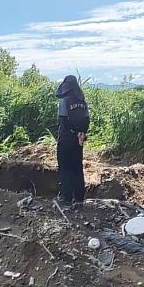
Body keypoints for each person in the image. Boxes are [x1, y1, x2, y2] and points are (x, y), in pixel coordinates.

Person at [55, 75, 89, 209]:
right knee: (77, 168)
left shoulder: (64, 101)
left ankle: (66, 198)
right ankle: (79, 199)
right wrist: (81, 132)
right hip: (79, 140)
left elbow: (63, 121)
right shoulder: (83, 102)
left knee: (65, 169)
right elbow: (86, 120)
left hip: (65, 139)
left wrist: (73, 132)